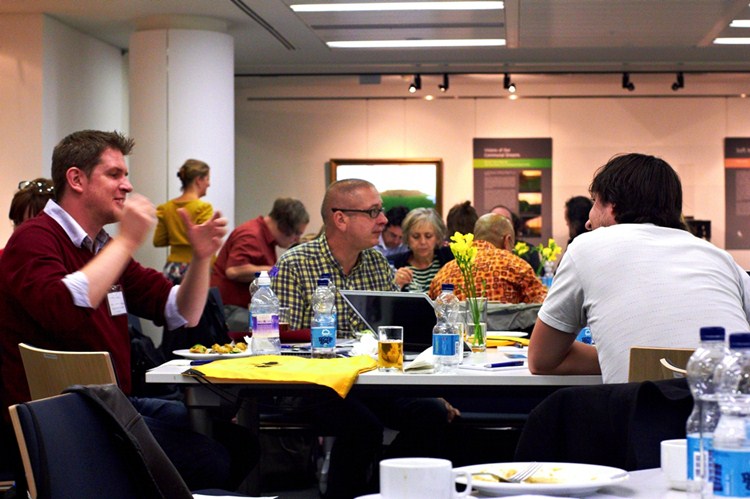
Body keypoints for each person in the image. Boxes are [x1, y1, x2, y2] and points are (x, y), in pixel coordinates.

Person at [0, 130, 255, 491]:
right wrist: (128, 240)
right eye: (115, 174)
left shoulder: (102, 247)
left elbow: (181, 312)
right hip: (61, 415)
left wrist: (201, 258)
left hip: (110, 403)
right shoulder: (34, 238)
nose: (127, 186)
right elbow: (62, 306)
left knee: (238, 441)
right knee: (212, 459)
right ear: (76, 179)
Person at [272, 178, 459, 498]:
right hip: (315, 385)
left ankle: (383, 489)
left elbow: (393, 333)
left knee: (431, 412)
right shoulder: (295, 263)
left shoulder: (376, 263)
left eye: (381, 211)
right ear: (340, 218)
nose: (384, 220)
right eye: (373, 212)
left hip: (372, 382)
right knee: (363, 427)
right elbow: (278, 339)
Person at [528, 153, 750, 384]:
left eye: (594, 201)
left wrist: (628, 357)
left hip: (640, 413)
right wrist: (701, 363)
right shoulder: (719, 258)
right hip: (735, 410)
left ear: (612, 205)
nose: (588, 222)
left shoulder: (585, 246)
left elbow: (542, 360)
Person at [211, 197, 309, 332]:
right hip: (230, 310)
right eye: (297, 233)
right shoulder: (251, 235)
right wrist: (277, 269)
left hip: (239, 308)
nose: (296, 239)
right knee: (269, 330)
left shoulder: (263, 236)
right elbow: (233, 270)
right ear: (284, 226)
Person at [428, 213, 547, 303]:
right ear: (508, 240)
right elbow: (544, 305)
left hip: (459, 335)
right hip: (508, 335)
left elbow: (430, 309)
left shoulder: (444, 273)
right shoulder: (517, 266)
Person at [153, 159, 213, 284]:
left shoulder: (166, 208)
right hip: (196, 268)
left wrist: (177, 235)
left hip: (172, 268)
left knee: (172, 303)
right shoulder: (203, 208)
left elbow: (158, 241)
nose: (209, 184)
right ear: (198, 180)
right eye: (207, 179)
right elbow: (207, 242)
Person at [392, 207, 454, 293]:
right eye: (416, 237)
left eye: (428, 236)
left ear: (438, 237)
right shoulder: (397, 263)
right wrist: (396, 284)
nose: (422, 242)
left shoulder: (449, 259)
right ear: (407, 238)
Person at [490, 204, 541, 271]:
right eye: (496, 220)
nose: (501, 224)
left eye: (506, 220)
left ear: (513, 224)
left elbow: (539, 278)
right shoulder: (480, 252)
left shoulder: (529, 251)